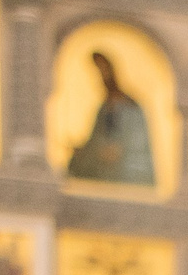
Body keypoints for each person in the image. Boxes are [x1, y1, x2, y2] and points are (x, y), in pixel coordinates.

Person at [65, 50, 155, 187]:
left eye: (103, 72)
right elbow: (97, 137)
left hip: (124, 170)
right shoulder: (104, 108)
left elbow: (136, 143)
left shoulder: (131, 107)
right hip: (101, 163)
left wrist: (116, 149)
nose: (100, 78)